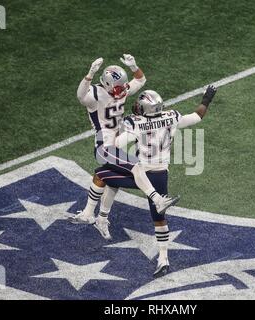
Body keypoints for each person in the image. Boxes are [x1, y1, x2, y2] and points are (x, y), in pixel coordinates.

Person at [91, 85, 217, 277]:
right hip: (160, 174)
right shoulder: (171, 117)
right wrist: (207, 99)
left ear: (145, 109)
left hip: (140, 173)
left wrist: (115, 129)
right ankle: (163, 259)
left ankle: (96, 215)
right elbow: (198, 115)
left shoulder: (136, 123)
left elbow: (116, 144)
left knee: (102, 173)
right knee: (159, 218)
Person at [70, 55, 180, 231]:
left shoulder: (120, 89)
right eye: (118, 88)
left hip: (116, 145)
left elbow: (141, 80)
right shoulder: (96, 95)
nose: (122, 91)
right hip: (104, 146)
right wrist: (89, 74)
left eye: (123, 86)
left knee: (106, 176)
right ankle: (158, 200)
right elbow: (80, 95)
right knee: (136, 165)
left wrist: (134, 66)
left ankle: (91, 215)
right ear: (106, 84)